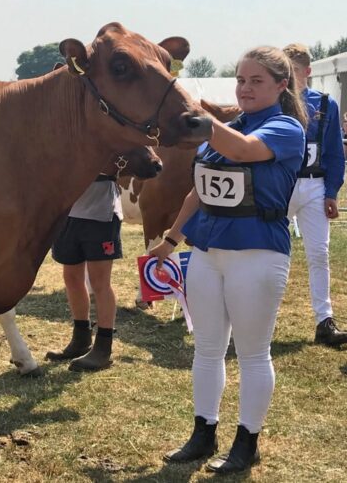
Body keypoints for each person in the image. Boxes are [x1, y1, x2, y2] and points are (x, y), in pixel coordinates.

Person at [152, 46, 306, 474]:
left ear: (281, 85)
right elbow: (200, 191)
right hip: (207, 250)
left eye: (256, 81)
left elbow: (241, 152)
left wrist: (203, 120)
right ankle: (203, 432)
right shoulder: (229, 128)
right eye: (240, 79)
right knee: (206, 349)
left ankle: (247, 440)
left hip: (257, 250)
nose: (245, 88)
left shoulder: (285, 128)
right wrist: (171, 239)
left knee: (253, 353)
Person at [283, 44, 347, 347]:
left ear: (308, 72)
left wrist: (332, 191)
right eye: (285, 71)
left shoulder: (325, 104)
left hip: (314, 185)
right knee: (269, 252)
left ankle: (324, 320)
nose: (291, 77)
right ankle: (255, 316)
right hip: (281, 185)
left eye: (295, 71)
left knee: (319, 254)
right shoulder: (275, 102)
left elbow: (335, 151)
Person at [45, 172, 123, 371]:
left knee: (100, 282)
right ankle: (81, 339)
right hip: (67, 213)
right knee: (71, 277)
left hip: (101, 214)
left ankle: (104, 348)